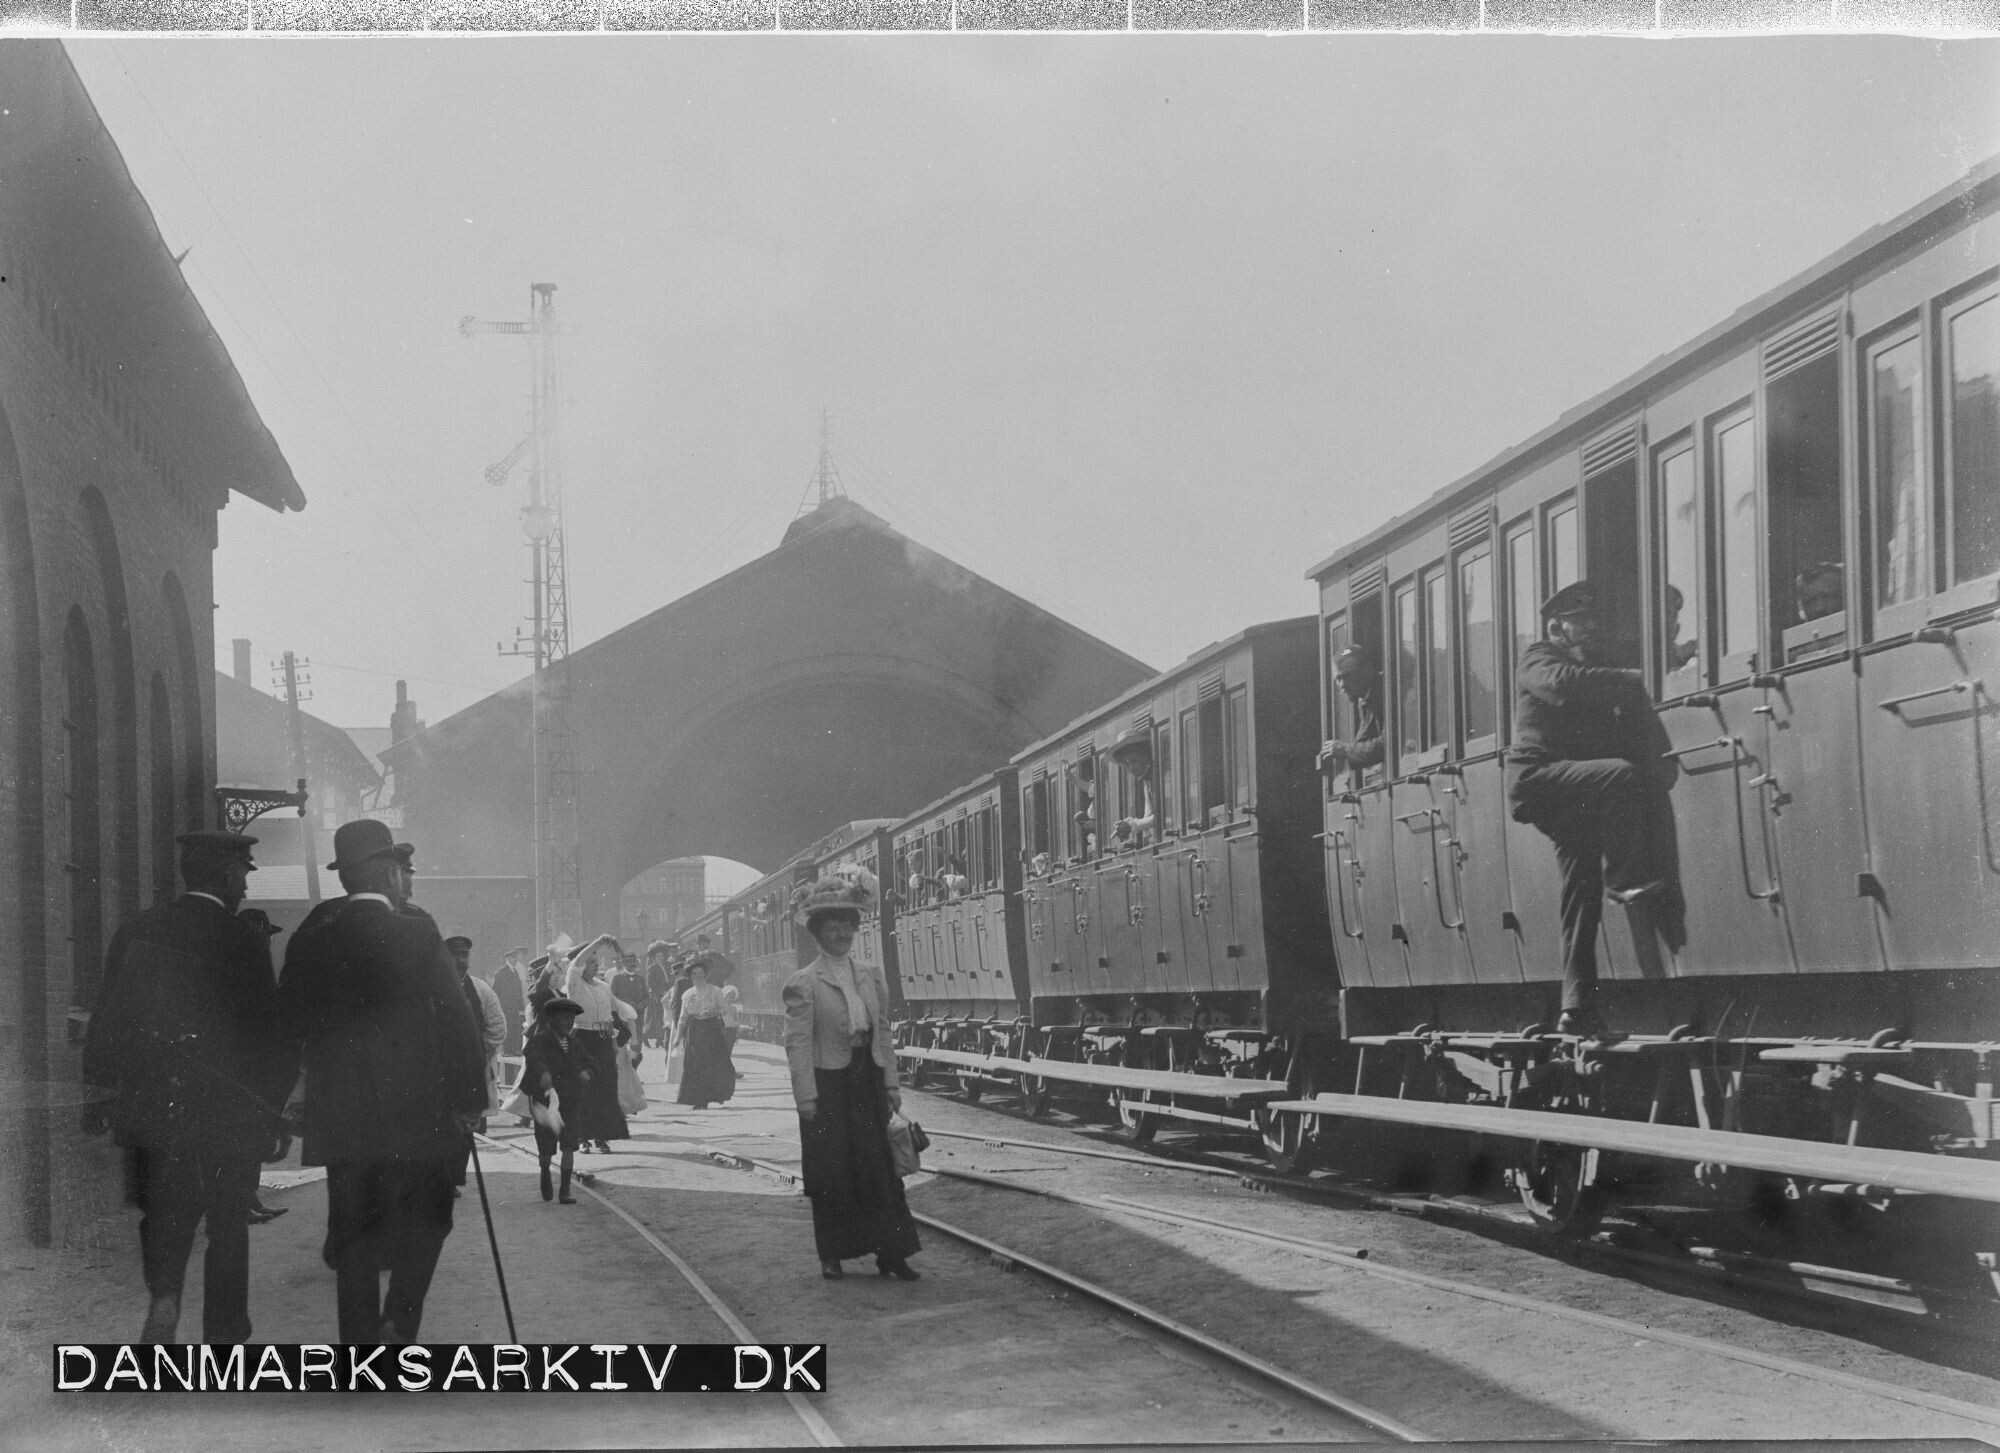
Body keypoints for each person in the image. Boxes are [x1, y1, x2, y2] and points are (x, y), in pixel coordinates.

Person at [81, 830, 296, 1344]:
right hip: (229, 1112)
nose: (245, 884)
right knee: (227, 1222)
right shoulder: (242, 939)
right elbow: (267, 1035)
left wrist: (100, 1095)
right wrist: (273, 1110)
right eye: (243, 872)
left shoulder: (138, 928)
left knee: (164, 1212)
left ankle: (164, 1300)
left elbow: (106, 1019)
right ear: (225, 873)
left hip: (155, 1106)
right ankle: (224, 1331)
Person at [279, 818, 486, 1343]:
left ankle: (357, 1350)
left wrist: (283, 1098)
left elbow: (285, 1021)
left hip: (341, 1115)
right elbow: (457, 1018)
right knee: (433, 1214)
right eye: (403, 870)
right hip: (417, 1112)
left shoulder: (314, 934)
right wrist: (468, 1100)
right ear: (390, 875)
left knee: (353, 1232)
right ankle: (400, 1317)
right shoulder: (417, 931)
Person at [1506, 581, 1679, 1038]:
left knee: (1580, 897)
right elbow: (1561, 687)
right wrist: (1630, 678)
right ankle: (1623, 880)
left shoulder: (1595, 670)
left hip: (1574, 796)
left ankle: (1576, 1008)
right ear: (1555, 626)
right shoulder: (1538, 657)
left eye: (1591, 621)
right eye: (1578, 621)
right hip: (1538, 780)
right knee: (1621, 775)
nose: (1589, 628)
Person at [783, 867, 920, 1283]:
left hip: (867, 1078)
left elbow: (884, 1033)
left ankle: (891, 1255)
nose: (841, 934)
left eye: (847, 926)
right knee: (831, 1170)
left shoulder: (871, 975)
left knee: (880, 1169)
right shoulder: (804, 983)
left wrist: (892, 1082)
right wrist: (805, 1096)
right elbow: (798, 1044)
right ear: (818, 934)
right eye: (832, 928)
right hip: (827, 1085)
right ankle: (832, 1255)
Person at [561, 938, 631, 1154]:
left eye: (596, 962)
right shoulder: (574, 983)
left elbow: (610, 1018)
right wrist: (599, 941)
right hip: (582, 1038)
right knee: (584, 1088)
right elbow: (578, 961)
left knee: (605, 1087)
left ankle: (601, 1136)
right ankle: (582, 1137)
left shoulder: (604, 987)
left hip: (602, 1039)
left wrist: (613, 1046)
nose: (595, 966)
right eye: (590, 962)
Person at [521, 996, 589, 1204]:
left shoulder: (575, 1043)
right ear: (552, 1020)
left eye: (571, 1018)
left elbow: (590, 1062)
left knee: (569, 1143)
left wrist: (588, 1071)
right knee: (546, 1144)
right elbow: (531, 1055)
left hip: (570, 1099)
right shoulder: (540, 1040)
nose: (569, 1022)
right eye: (564, 1018)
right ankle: (545, 1175)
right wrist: (543, 1072)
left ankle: (565, 1190)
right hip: (545, 1100)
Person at [445, 935, 507, 1123]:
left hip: (476, 1067)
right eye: (455, 955)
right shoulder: (434, 988)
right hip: (445, 1065)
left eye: (465, 955)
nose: (461, 960)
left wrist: (480, 1050)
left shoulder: (482, 990)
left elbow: (498, 1027)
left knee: (475, 1118)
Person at [674, 962, 738, 1109]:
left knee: (712, 1065)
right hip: (695, 1031)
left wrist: (714, 1013)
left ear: (705, 975)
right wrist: (678, 1038)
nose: (698, 976)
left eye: (701, 973)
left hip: (712, 1031)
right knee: (695, 1066)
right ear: (690, 976)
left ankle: (709, 1097)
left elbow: (726, 1009)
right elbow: (683, 1018)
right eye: (695, 974)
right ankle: (698, 1100)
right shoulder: (687, 995)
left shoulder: (715, 991)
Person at [1318, 645, 1385, 780]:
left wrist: (1345, 751)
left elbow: (1388, 744)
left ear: (1366, 671)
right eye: (1338, 679)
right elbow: (1362, 743)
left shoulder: (1385, 692)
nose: (1342, 685)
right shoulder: (1365, 698)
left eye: (1346, 676)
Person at [494, 946, 529, 1058]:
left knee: (515, 1027)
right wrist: (498, 1006)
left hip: (514, 1006)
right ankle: (506, 1050)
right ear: (507, 958)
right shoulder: (501, 972)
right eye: (513, 958)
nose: (515, 960)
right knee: (507, 1027)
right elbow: (496, 990)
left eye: (516, 958)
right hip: (505, 1006)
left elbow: (518, 990)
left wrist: (520, 1005)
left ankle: (514, 1049)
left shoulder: (515, 971)